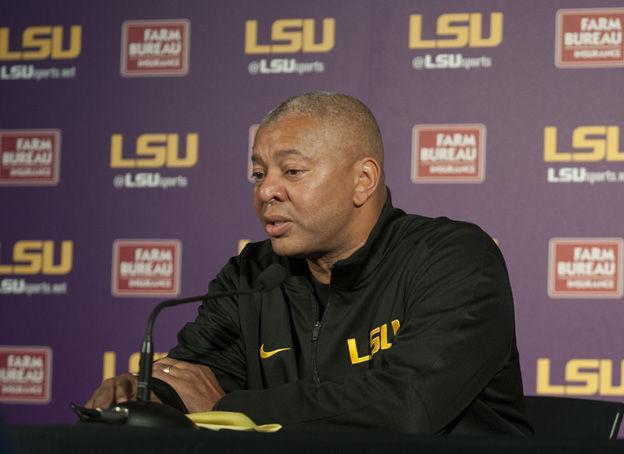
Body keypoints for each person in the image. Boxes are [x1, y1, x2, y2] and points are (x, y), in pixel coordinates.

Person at [86, 92, 533, 435]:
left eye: (292, 172)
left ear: (363, 181)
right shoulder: (251, 276)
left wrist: (231, 410)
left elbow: (408, 404)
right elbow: (196, 379)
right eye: (258, 174)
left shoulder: (453, 258)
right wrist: (145, 396)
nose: (266, 192)